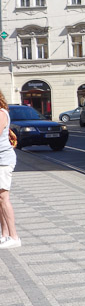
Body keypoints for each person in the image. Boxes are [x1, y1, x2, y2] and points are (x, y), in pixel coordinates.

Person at [0, 90, 19, 249]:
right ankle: (4, 235)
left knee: (3, 198)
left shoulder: (0, 113)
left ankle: (14, 237)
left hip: (3, 160)